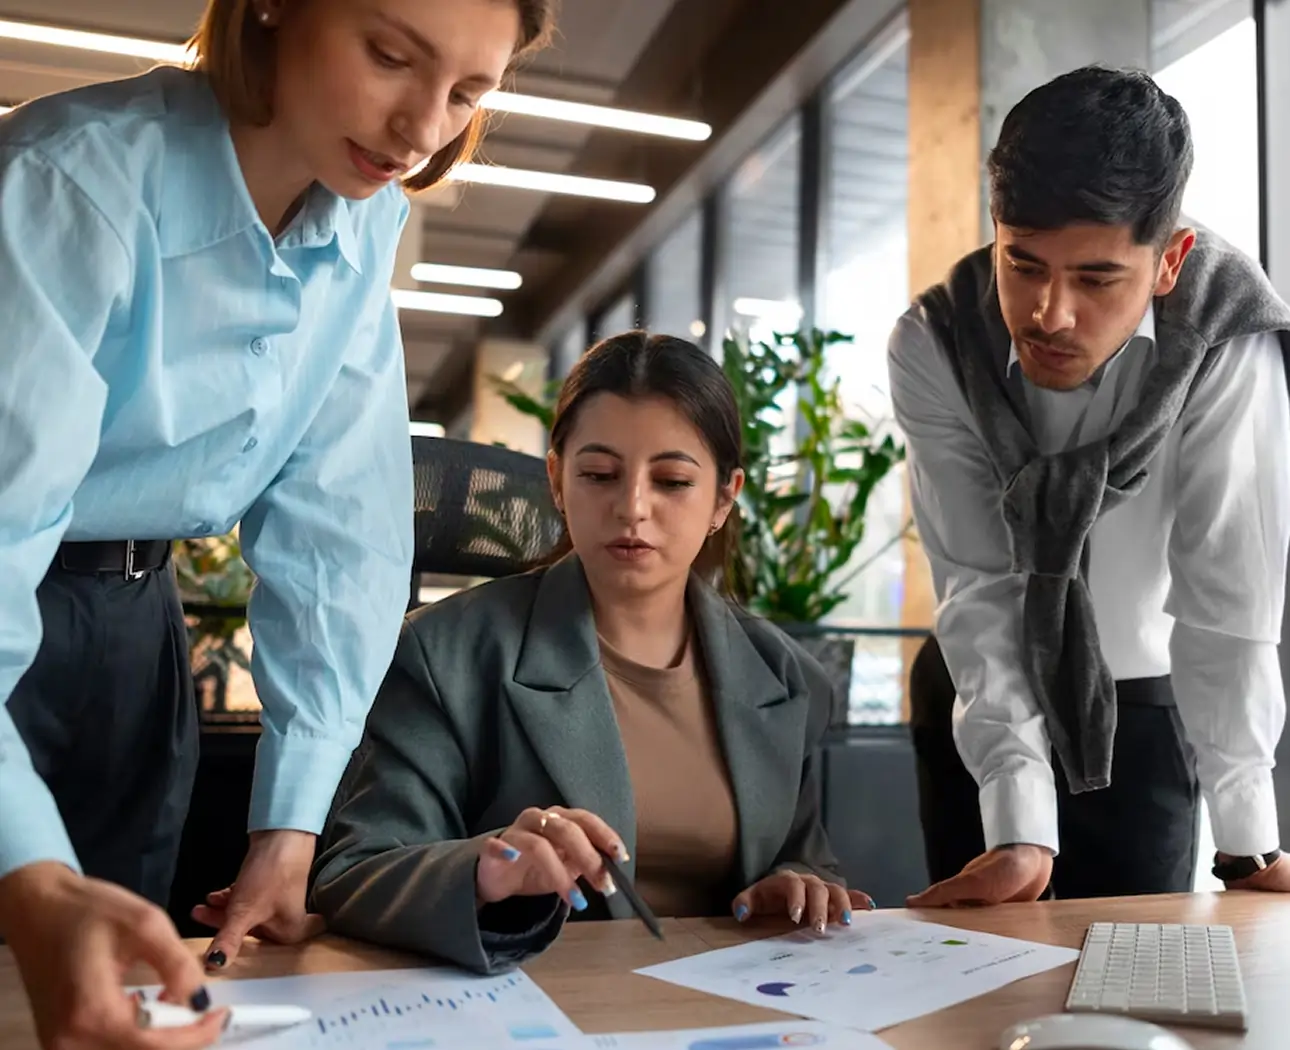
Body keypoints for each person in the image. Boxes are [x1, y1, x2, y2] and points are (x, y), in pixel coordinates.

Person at [0, 1, 553, 1047]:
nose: (423, 129)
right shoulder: (68, 179)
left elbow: (340, 525)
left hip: (135, 622)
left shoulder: (363, 214)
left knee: (118, 997)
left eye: (469, 94)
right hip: (17, 597)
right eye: (390, 56)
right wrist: (23, 872)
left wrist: (289, 828)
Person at [310, 332, 873, 974]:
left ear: (724, 497)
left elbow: (803, 855)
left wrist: (795, 883)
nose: (632, 507)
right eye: (600, 474)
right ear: (556, 478)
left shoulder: (781, 672)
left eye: (672, 481)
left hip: (737, 1010)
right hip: (537, 1010)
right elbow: (355, 871)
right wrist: (485, 869)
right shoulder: (445, 653)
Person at [889, 66, 1290, 907]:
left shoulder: (1227, 334)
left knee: (1134, 983)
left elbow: (1229, 591)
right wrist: (1020, 823)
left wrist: (1249, 842)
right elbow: (979, 584)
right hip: (975, 686)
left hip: (1142, 702)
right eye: (1022, 264)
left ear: (1170, 261)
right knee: (974, 984)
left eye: (1097, 279)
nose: (1049, 313)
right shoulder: (933, 341)